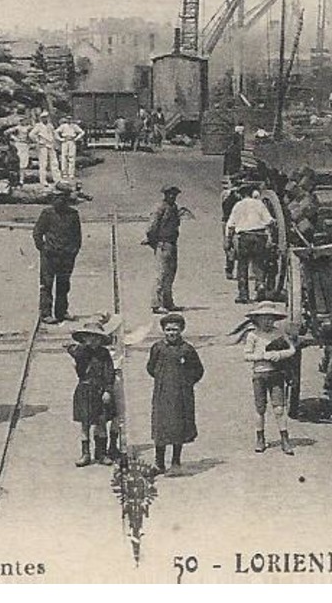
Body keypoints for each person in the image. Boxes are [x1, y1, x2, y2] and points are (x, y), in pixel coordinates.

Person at [147, 312, 203, 474]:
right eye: (168, 330)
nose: (172, 333)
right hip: (162, 393)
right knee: (161, 426)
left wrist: (185, 382)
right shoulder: (157, 348)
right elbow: (151, 368)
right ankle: (159, 463)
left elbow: (198, 370)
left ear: (181, 330)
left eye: (175, 330)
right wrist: (162, 379)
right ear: (163, 330)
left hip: (181, 395)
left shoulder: (187, 349)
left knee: (179, 426)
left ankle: (176, 462)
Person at [242, 301, 297, 455]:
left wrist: (278, 354)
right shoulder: (253, 335)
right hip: (260, 374)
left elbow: (292, 349)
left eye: (270, 318)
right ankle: (260, 438)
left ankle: (285, 439)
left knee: (279, 408)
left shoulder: (278, 333)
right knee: (260, 408)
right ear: (257, 319)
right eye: (264, 318)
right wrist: (262, 356)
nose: (267, 321)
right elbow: (246, 355)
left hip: (276, 373)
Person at [66, 322, 117, 467]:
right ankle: (85, 453)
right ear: (84, 338)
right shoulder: (81, 352)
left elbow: (109, 372)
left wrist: (107, 390)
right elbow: (72, 351)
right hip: (85, 390)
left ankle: (101, 453)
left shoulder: (104, 353)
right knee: (85, 424)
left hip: (100, 391)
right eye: (89, 337)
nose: (93, 340)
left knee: (101, 422)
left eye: (97, 338)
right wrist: (82, 344)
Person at [34, 183, 83, 324]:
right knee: (46, 285)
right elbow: (37, 233)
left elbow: (77, 237)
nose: (58, 201)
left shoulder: (73, 215)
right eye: (56, 198)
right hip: (49, 256)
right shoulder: (47, 214)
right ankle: (46, 313)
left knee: (63, 284)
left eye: (61, 198)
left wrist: (73, 252)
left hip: (66, 256)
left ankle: (61, 312)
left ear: (67, 199)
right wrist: (43, 248)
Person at [226, 184, 276, 303]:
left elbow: (231, 225)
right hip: (259, 236)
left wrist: (228, 241)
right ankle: (260, 285)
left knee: (242, 265)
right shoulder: (259, 204)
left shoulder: (238, 205)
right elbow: (269, 221)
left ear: (241, 194)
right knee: (258, 263)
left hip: (244, 236)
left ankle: (243, 295)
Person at [144, 185, 185, 314]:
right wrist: (153, 242)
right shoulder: (159, 208)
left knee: (170, 274)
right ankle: (156, 304)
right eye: (169, 194)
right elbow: (151, 227)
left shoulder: (174, 208)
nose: (172, 196)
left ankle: (168, 302)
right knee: (161, 274)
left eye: (174, 194)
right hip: (162, 243)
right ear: (165, 195)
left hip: (172, 243)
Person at [29, 112, 58, 186]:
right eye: (44, 117)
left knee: (54, 163)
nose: (46, 119)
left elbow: (54, 134)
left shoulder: (50, 125)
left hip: (51, 145)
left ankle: (57, 179)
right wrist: (38, 141)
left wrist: (56, 142)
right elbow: (31, 134)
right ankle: (43, 180)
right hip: (43, 146)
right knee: (43, 163)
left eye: (46, 117)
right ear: (41, 118)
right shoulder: (38, 126)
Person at [54, 116, 86, 182]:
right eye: (68, 119)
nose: (69, 120)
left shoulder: (74, 126)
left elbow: (82, 132)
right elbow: (56, 132)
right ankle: (64, 173)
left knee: (71, 157)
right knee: (64, 157)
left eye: (70, 119)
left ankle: (71, 173)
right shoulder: (63, 126)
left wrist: (77, 138)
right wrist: (60, 139)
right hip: (65, 141)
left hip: (72, 141)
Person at [7, 119, 32, 187]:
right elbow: (7, 132)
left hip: (26, 145)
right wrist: (14, 138)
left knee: (24, 163)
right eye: (21, 121)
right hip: (19, 145)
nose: (23, 122)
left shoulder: (29, 127)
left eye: (24, 120)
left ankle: (21, 180)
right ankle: (17, 180)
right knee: (19, 161)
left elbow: (32, 135)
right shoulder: (18, 127)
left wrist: (30, 140)